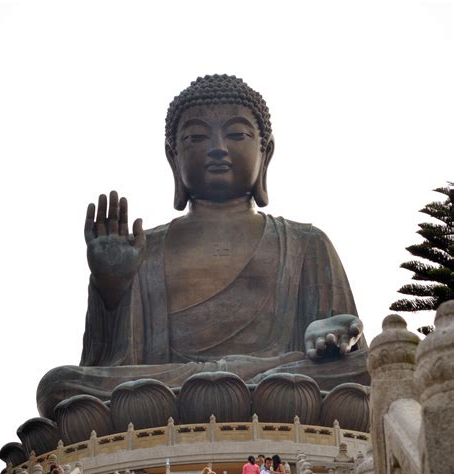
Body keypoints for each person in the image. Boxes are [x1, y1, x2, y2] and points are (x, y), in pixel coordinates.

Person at [37, 74, 367, 420]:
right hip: (172, 389)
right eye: (196, 137)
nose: (217, 148)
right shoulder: (143, 249)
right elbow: (107, 367)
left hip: (281, 380)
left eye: (236, 134)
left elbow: (349, 351)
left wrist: (330, 335)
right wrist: (111, 289)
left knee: (373, 368)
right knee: (58, 386)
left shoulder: (306, 242)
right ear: (172, 157)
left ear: (265, 152)